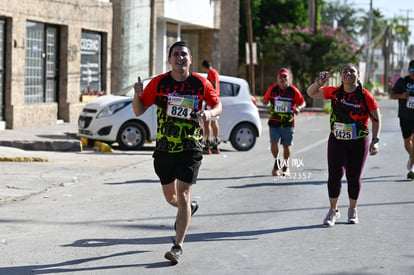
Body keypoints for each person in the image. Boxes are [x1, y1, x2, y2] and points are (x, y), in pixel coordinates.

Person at [132, 41, 222, 264]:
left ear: (190, 59)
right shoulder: (159, 83)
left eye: (184, 54)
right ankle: (189, 208)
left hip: (190, 146)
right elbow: (139, 110)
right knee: (172, 198)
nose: (180, 58)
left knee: (182, 195)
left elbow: (217, 105)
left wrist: (209, 115)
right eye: (176, 55)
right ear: (170, 60)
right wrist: (137, 94)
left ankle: (178, 246)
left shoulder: (200, 83)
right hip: (164, 148)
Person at [307, 63, 381, 227]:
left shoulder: (365, 96)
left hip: (358, 142)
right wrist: (320, 82)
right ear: (341, 76)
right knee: (334, 175)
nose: (348, 73)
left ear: (358, 76)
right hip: (337, 140)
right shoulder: (334, 92)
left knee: (353, 177)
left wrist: (375, 141)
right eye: (345, 71)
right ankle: (333, 211)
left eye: (352, 71)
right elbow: (311, 93)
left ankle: (352, 209)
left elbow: (376, 119)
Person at [262, 67, 306, 177]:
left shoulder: (293, 91)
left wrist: (298, 109)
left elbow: (303, 103)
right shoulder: (272, 89)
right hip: (274, 122)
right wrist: (265, 102)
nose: (282, 79)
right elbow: (265, 100)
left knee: (286, 146)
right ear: (277, 78)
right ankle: (277, 163)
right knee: (273, 144)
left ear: (288, 78)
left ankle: (286, 167)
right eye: (280, 77)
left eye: (285, 77)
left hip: (288, 123)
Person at [390, 60, 414, 180]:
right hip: (405, 116)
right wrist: (402, 96)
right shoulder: (402, 81)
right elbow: (392, 95)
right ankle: (412, 156)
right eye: (412, 70)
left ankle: (412, 169)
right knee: (407, 142)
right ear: (409, 69)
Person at [201, 60, 221, 154]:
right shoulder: (215, 72)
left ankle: (207, 146)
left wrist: (212, 94)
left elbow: (214, 84)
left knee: (207, 123)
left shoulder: (211, 72)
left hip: (211, 100)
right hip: (215, 99)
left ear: (205, 67)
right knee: (214, 123)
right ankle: (215, 146)